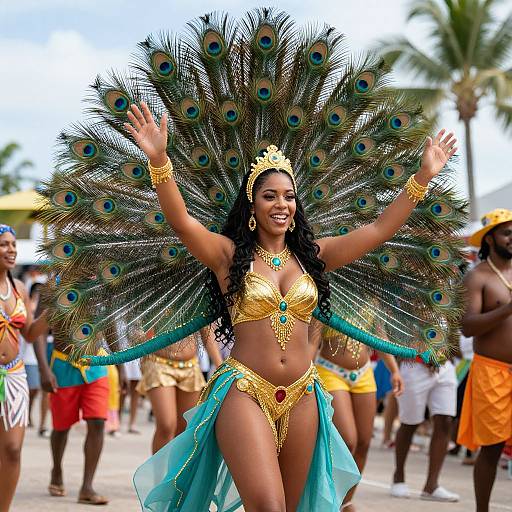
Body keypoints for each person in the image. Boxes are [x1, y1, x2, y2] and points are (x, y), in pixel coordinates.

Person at [119, 86, 457, 510]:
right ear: (252, 205)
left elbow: (377, 232)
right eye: (270, 196)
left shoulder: (314, 256)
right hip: (244, 390)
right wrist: (159, 161)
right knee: (268, 506)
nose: (282, 204)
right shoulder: (227, 256)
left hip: (303, 392)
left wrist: (422, 177)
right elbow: (183, 223)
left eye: (289, 195)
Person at [310, 322, 404, 511]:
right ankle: (327, 499)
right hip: (330, 371)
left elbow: (379, 336)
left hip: (364, 373)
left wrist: (394, 370)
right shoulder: (326, 293)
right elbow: (313, 339)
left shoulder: (370, 297)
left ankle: (345, 502)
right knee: (348, 440)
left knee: (363, 442)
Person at [34, 323, 125, 504]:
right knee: (61, 428)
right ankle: (57, 470)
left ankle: (87, 487)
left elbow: (110, 329)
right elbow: (40, 331)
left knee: (98, 422)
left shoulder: (103, 294)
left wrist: (121, 368)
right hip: (62, 365)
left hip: (96, 366)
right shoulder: (52, 293)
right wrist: (43, 369)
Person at [458, 208, 512, 512]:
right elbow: (467, 326)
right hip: (491, 372)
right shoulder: (478, 276)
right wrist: (506, 309)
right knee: (491, 448)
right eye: (507, 232)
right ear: (491, 238)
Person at [0, 225, 48, 511]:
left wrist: (54, 310)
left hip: (15, 374)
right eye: (4, 244)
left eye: (13, 245)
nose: (12, 249)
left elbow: (30, 333)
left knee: (13, 450)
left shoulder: (18, 288)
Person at [137, 327, 223, 453]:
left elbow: (206, 330)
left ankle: (175, 471)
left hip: (190, 366)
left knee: (185, 430)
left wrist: (220, 365)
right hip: (158, 364)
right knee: (167, 425)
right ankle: (159, 472)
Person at [390, 356, 459, 501]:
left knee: (445, 422)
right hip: (414, 364)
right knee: (410, 424)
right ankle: (398, 477)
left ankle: (431, 486)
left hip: (444, 365)